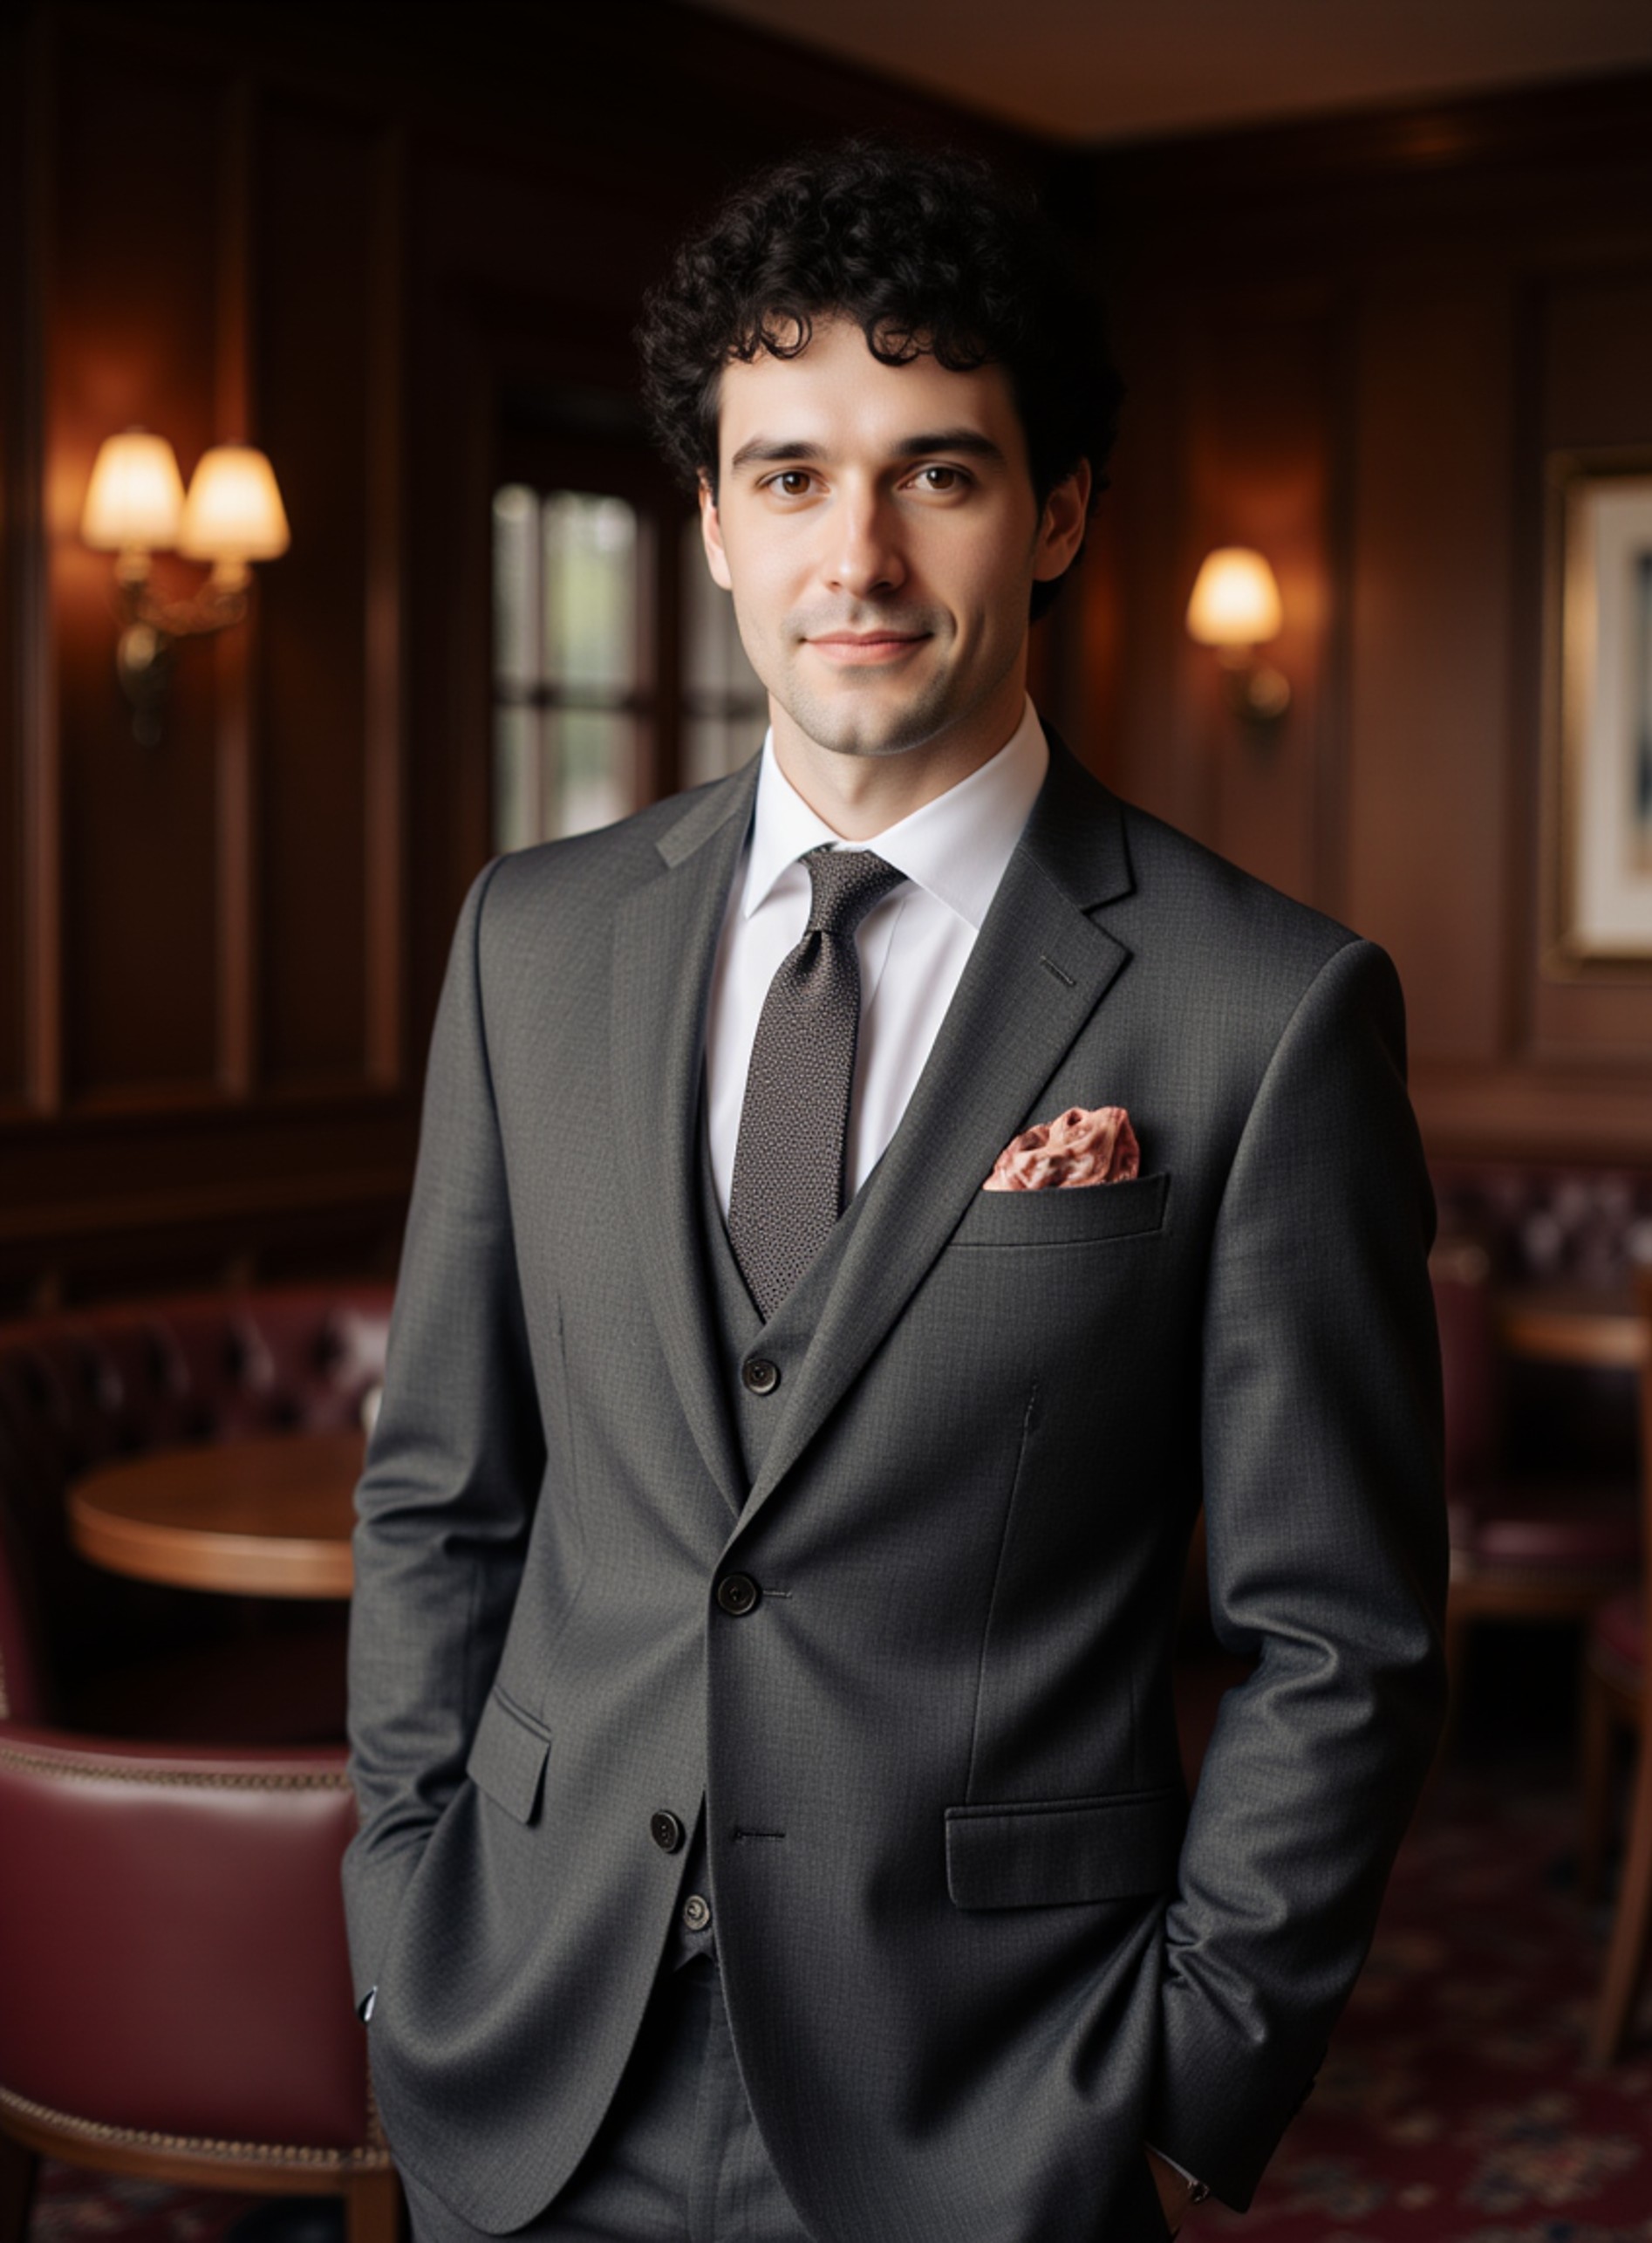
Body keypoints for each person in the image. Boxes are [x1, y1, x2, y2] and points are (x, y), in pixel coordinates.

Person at [344, 139, 1448, 2243]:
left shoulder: (1264, 1007)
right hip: (527, 2048)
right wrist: (405, 1916)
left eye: (933, 471)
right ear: (710, 520)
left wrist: (1192, 2058)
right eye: (786, 475)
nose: (853, 549)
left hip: (986, 2097)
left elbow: (1342, 1632)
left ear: (1056, 515)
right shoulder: (530, 937)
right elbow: (441, 1494)